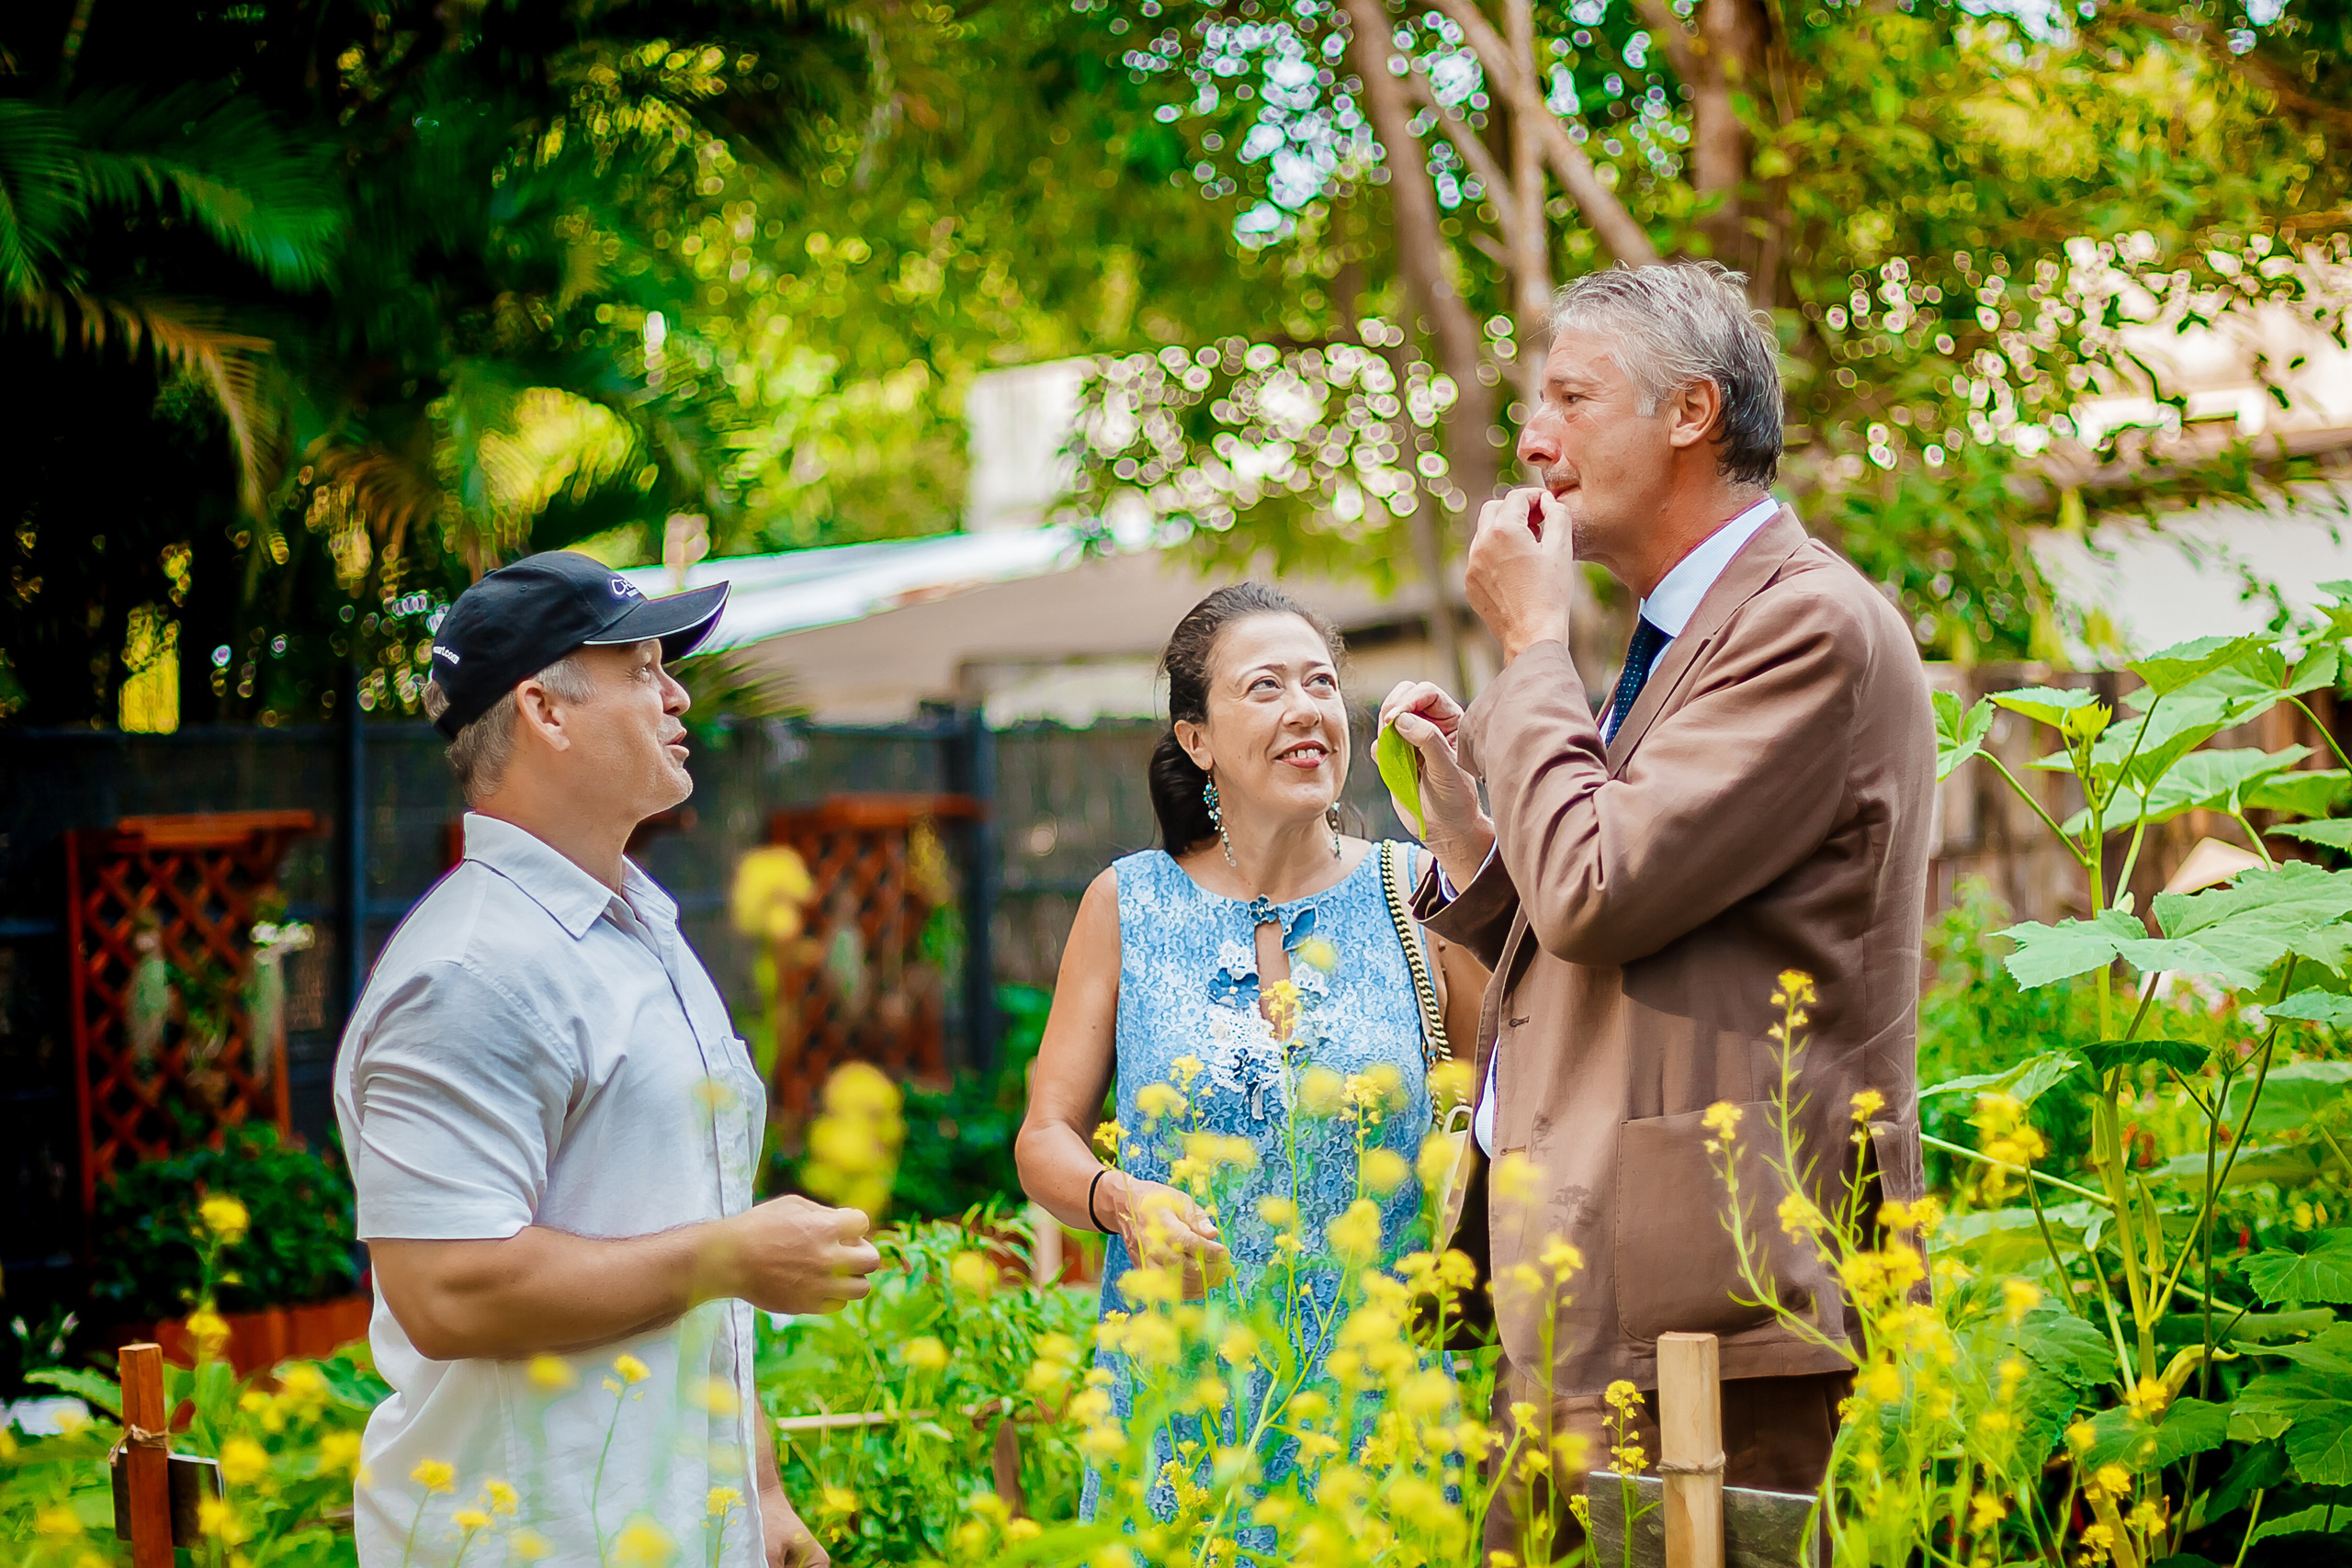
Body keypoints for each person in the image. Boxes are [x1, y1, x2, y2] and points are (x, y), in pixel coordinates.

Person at [1380, 262, 1936, 1551]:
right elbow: (1611, 892)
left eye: (1572, 396)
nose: (1533, 437)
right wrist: (1472, 828)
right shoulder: (1675, 638)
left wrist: (1529, 650)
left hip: (1719, 1295)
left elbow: (1601, 887)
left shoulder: (1807, 626)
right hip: (1588, 1274)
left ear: (1693, 412)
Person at [334, 551, 883, 1568]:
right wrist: (732, 1257)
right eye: (640, 668)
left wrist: (755, 1487)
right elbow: (448, 1290)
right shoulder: (470, 970)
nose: (676, 693)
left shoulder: (638, 929)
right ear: (543, 710)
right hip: (531, 1539)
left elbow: (674, 1218)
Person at [1016, 582, 1486, 1513]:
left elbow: (1503, 1112)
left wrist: (1465, 836)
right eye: (1265, 686)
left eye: (1320, 682)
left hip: (1378, 1412)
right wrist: (1121, 1199)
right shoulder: (1127, 903)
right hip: (1179, 1404)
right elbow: (1043, 1138)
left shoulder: (1421, 887)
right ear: (1197, 739)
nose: (1306, 707)